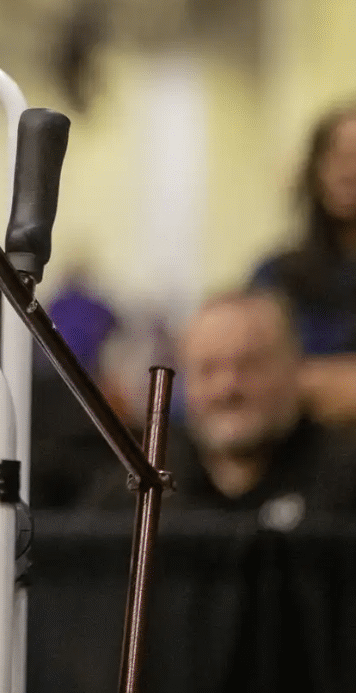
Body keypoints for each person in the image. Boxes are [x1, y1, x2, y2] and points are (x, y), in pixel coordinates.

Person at [85, 292, 356, 524]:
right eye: (208, 370)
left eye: (250, 365)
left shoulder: (345, 484)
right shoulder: (139, 493)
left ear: (295, 368)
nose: (227, 389)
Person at [250, 103, 356, 421]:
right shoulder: (277, 275)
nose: (348, 170)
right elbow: (249, 378)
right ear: (315, 170)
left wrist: (308, 380)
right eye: (337, 156)